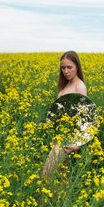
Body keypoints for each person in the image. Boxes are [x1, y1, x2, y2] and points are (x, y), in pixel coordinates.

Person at [42, 51, 87, 180]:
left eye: (69, 67)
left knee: (46, 175)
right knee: (63, 178)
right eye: (63, 68)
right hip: (59, 136)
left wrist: (77, 142)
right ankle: (63, 200)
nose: (66, 71)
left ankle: (43, 200)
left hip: (67, 139)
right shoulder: (67, 85)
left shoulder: (80, 86)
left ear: (77, 67)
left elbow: (83, 116)